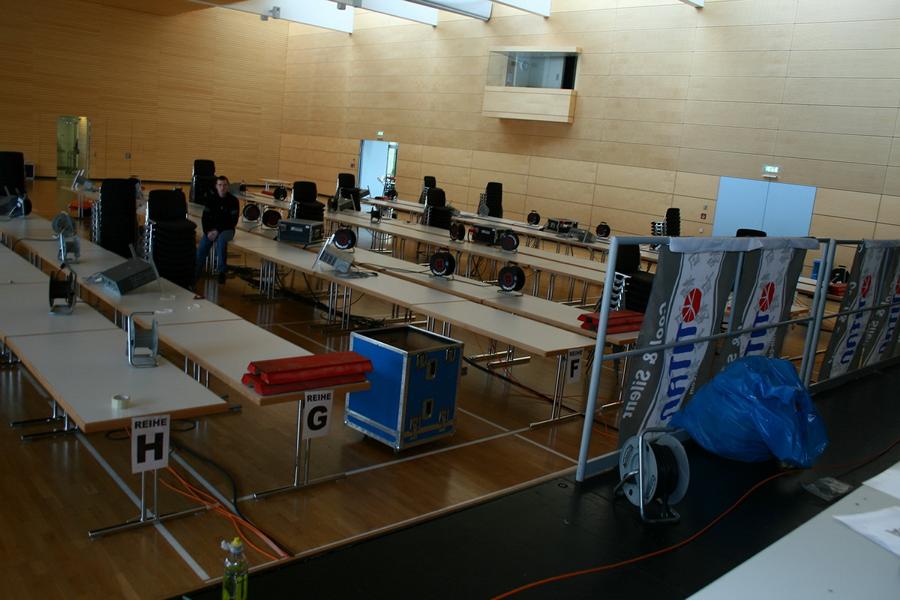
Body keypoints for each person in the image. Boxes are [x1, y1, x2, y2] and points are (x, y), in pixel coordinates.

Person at [196, 175, 239, 284]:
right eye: (220, 185)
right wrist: (207, 232)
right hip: (211, 230)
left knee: (221, 240)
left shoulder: (233, 201)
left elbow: (232, 221)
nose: (222, 187)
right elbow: (205, 218)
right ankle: (195, 274)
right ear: (216, 186)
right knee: (202, 247)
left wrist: (217, 231)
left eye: (225, 185)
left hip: (227, 230)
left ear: (228, 186)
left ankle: (221, 271)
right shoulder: (211, 199)